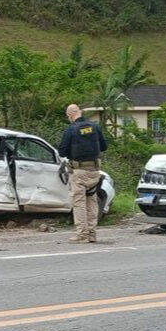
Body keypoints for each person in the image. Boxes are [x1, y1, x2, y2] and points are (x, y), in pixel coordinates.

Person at [58, 104, 107, 243]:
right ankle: (92, 234)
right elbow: (104, 146)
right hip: (95, 170)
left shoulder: (71, 130)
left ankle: (82, 234)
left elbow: (62, 151)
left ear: (69, 115)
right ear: (79, 112)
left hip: (79, 171)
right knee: (92, 201)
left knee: (79, 202)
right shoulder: (95, 127)